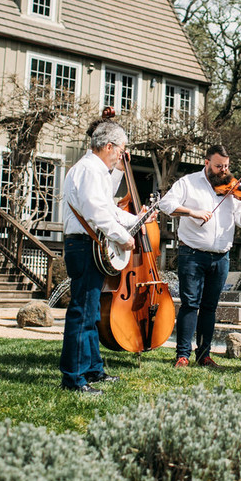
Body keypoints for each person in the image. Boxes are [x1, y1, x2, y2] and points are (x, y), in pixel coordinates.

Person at [159, 144, 241, 368]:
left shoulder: (232, 187)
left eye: (226, 166)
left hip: (221, 257)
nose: (223, 171)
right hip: (192, 254)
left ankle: (204, 355)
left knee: (210, 307)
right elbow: (165, 204)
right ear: (206, 163)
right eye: (218, 166)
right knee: (190, 304)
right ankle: (183, 355)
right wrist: (192, 211)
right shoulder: (188, 183)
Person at [59, 120, 141, 394]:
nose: (122, 155)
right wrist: (122, 236)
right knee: (82, 312)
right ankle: (73, 378)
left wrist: (136, 219)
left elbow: (110, 210)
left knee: (91, 312)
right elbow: (97, 212)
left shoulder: (95, 171)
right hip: (83, 246)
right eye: (121, 149)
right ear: (108, 146)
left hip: (86, 245)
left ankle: (93, 370)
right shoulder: (90, 170)